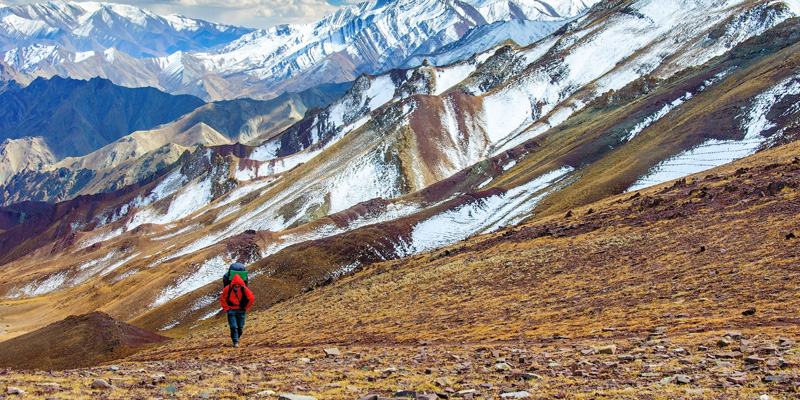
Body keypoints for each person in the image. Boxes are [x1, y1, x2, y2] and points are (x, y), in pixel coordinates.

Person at [220, 274, 254, 347]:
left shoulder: (244, 289)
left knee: (240, 328)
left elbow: (251, 298)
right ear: (233, 283)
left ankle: (236, 339)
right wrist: (227, 309)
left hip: (241, 310)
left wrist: (246, 308)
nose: (236, 285)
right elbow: (223, 299)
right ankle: (235, 341)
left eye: (238, 284)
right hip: (231, 310)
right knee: (233, 327)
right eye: (235, 284)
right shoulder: (228, 289)